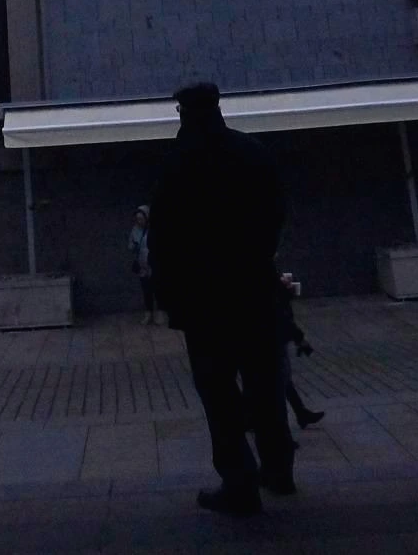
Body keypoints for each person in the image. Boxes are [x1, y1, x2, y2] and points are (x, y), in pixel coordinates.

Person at [148, 80, 293, 519]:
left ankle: (239, 481)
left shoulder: (178, 162)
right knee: (266, 383)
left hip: (204, 298)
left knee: (218, 391)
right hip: (255, 287)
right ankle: (279, 467)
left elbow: (164, 235)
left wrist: (169, 293)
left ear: (185, 113)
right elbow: (277, 211)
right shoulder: (252, 152)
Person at [277, 270, 324, 430]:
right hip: (274, 339)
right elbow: (282, 317)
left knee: (283, 379)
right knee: (281, 379)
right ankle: (298, 414)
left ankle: (300, 412)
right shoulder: (274, 291)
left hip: (274, 337)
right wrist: (299, 339)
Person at [128, 205, 157, 323]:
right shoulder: (135, 230)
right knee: (146, 290)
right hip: (142, 264)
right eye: (137, 219)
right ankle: (148, 313)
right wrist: (133, 246)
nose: (139, 221)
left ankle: (159, 313)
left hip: (154, 264)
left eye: (141, 219)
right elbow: (130, 246)